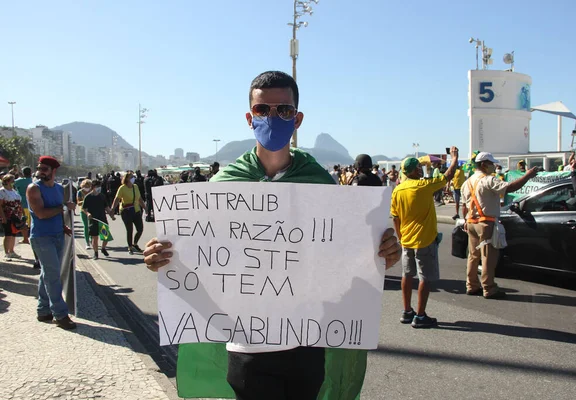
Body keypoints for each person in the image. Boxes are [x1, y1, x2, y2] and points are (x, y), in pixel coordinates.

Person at [142, 70, 401, 400]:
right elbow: (197, 254)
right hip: (245, 345)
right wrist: (162, 259)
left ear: (298, 118)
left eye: (284, 110)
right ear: (250, 118)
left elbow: (344, 252)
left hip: (307, 341)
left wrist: (383, 252)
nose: (273, 117)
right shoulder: (222, 186)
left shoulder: (321, 184)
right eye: (263, 110)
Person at [390, 147, 459, 329]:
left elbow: (395, 217)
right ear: (414, 170)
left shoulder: (397, 190)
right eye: (418, 168)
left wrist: (401, 237)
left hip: (406, 241)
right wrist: (454, 158)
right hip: (424, 240)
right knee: (424, 278)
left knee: (406, 275)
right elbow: (448, 176)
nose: (420, 170)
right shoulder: (423, 186)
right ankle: (420, 316)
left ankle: (407, 311)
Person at [461, 152, 538, 299]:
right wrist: (527, 176)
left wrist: (465, 220)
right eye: (491, 164)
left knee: (473, 256)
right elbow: (509, 188)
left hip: (471, 222)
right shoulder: (489, 180)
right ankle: (489, 288)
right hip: (486, 223)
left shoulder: (468, 181)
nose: (494, 166)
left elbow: (464, 205)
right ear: (484, 164)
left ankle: (471, 285)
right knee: (488, 257)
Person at [26, 156, 77, 329]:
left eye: (45, 169)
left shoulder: (58, 189)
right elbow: (41, 214)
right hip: (41, 237)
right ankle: (60, 314)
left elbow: (58, 211)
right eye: (39, 168)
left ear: (54, 171)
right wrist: (64, 208)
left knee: (47, 274)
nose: (40, 171)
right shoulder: (33, 189)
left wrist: (63, 226)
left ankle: (43, 310)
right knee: (53, 276)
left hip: (57, 235)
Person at [112, 171, 147, 255]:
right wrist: (112, 210)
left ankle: (135, 243)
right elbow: (117, 199)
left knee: (140, 229)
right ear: (127, 178)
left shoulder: (135, 187)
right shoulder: (122, 188)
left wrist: (145, 208)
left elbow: (139, 199)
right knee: (129, 229)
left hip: (136, 210)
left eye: (133, 177)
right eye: (131, 177)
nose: (133, 178)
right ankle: (130, 247)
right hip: (126, 211)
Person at [82, 180, 115, 260]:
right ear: (93, 187)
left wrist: (111, 214)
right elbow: (84, 209)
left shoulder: (102, 196)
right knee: (95, 238)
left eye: (99, 187)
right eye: (97, 187)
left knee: (106, 237)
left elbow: (106, 207)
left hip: (102, 219)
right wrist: (88, 214)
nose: (99, 188)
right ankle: (96, 253)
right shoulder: (88, 197)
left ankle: (103, 248)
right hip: (93, 220)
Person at [0, 174, 25, 260]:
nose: (14, 182)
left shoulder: (14, 191)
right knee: (8, 234)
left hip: (16, 215)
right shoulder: (2, 192)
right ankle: (6, 253)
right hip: (7, 216)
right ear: (7, 181)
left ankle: (12, 251)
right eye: (12, 180)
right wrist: (3, 217)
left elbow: (19, 203)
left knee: (14, 234)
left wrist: (22, 213)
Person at [13, 166, 33, 244]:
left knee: (22, 222)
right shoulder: (33, 181)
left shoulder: (19, 181)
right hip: (31, 205)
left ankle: (25, 239)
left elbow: (11, 184)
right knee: (31, 223)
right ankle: (30, 237)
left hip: (21, 204)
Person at [76, 179, 93, 249]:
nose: (87, 187)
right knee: (86, 226)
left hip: (92, 211)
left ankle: (92, 240)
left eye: (89, 186)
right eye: (86, 186)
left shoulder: (92, 192)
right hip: (83, 211)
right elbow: (78, 202)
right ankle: (87, 242)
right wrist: (85, 200)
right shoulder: (79, 192)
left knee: (91, 226)